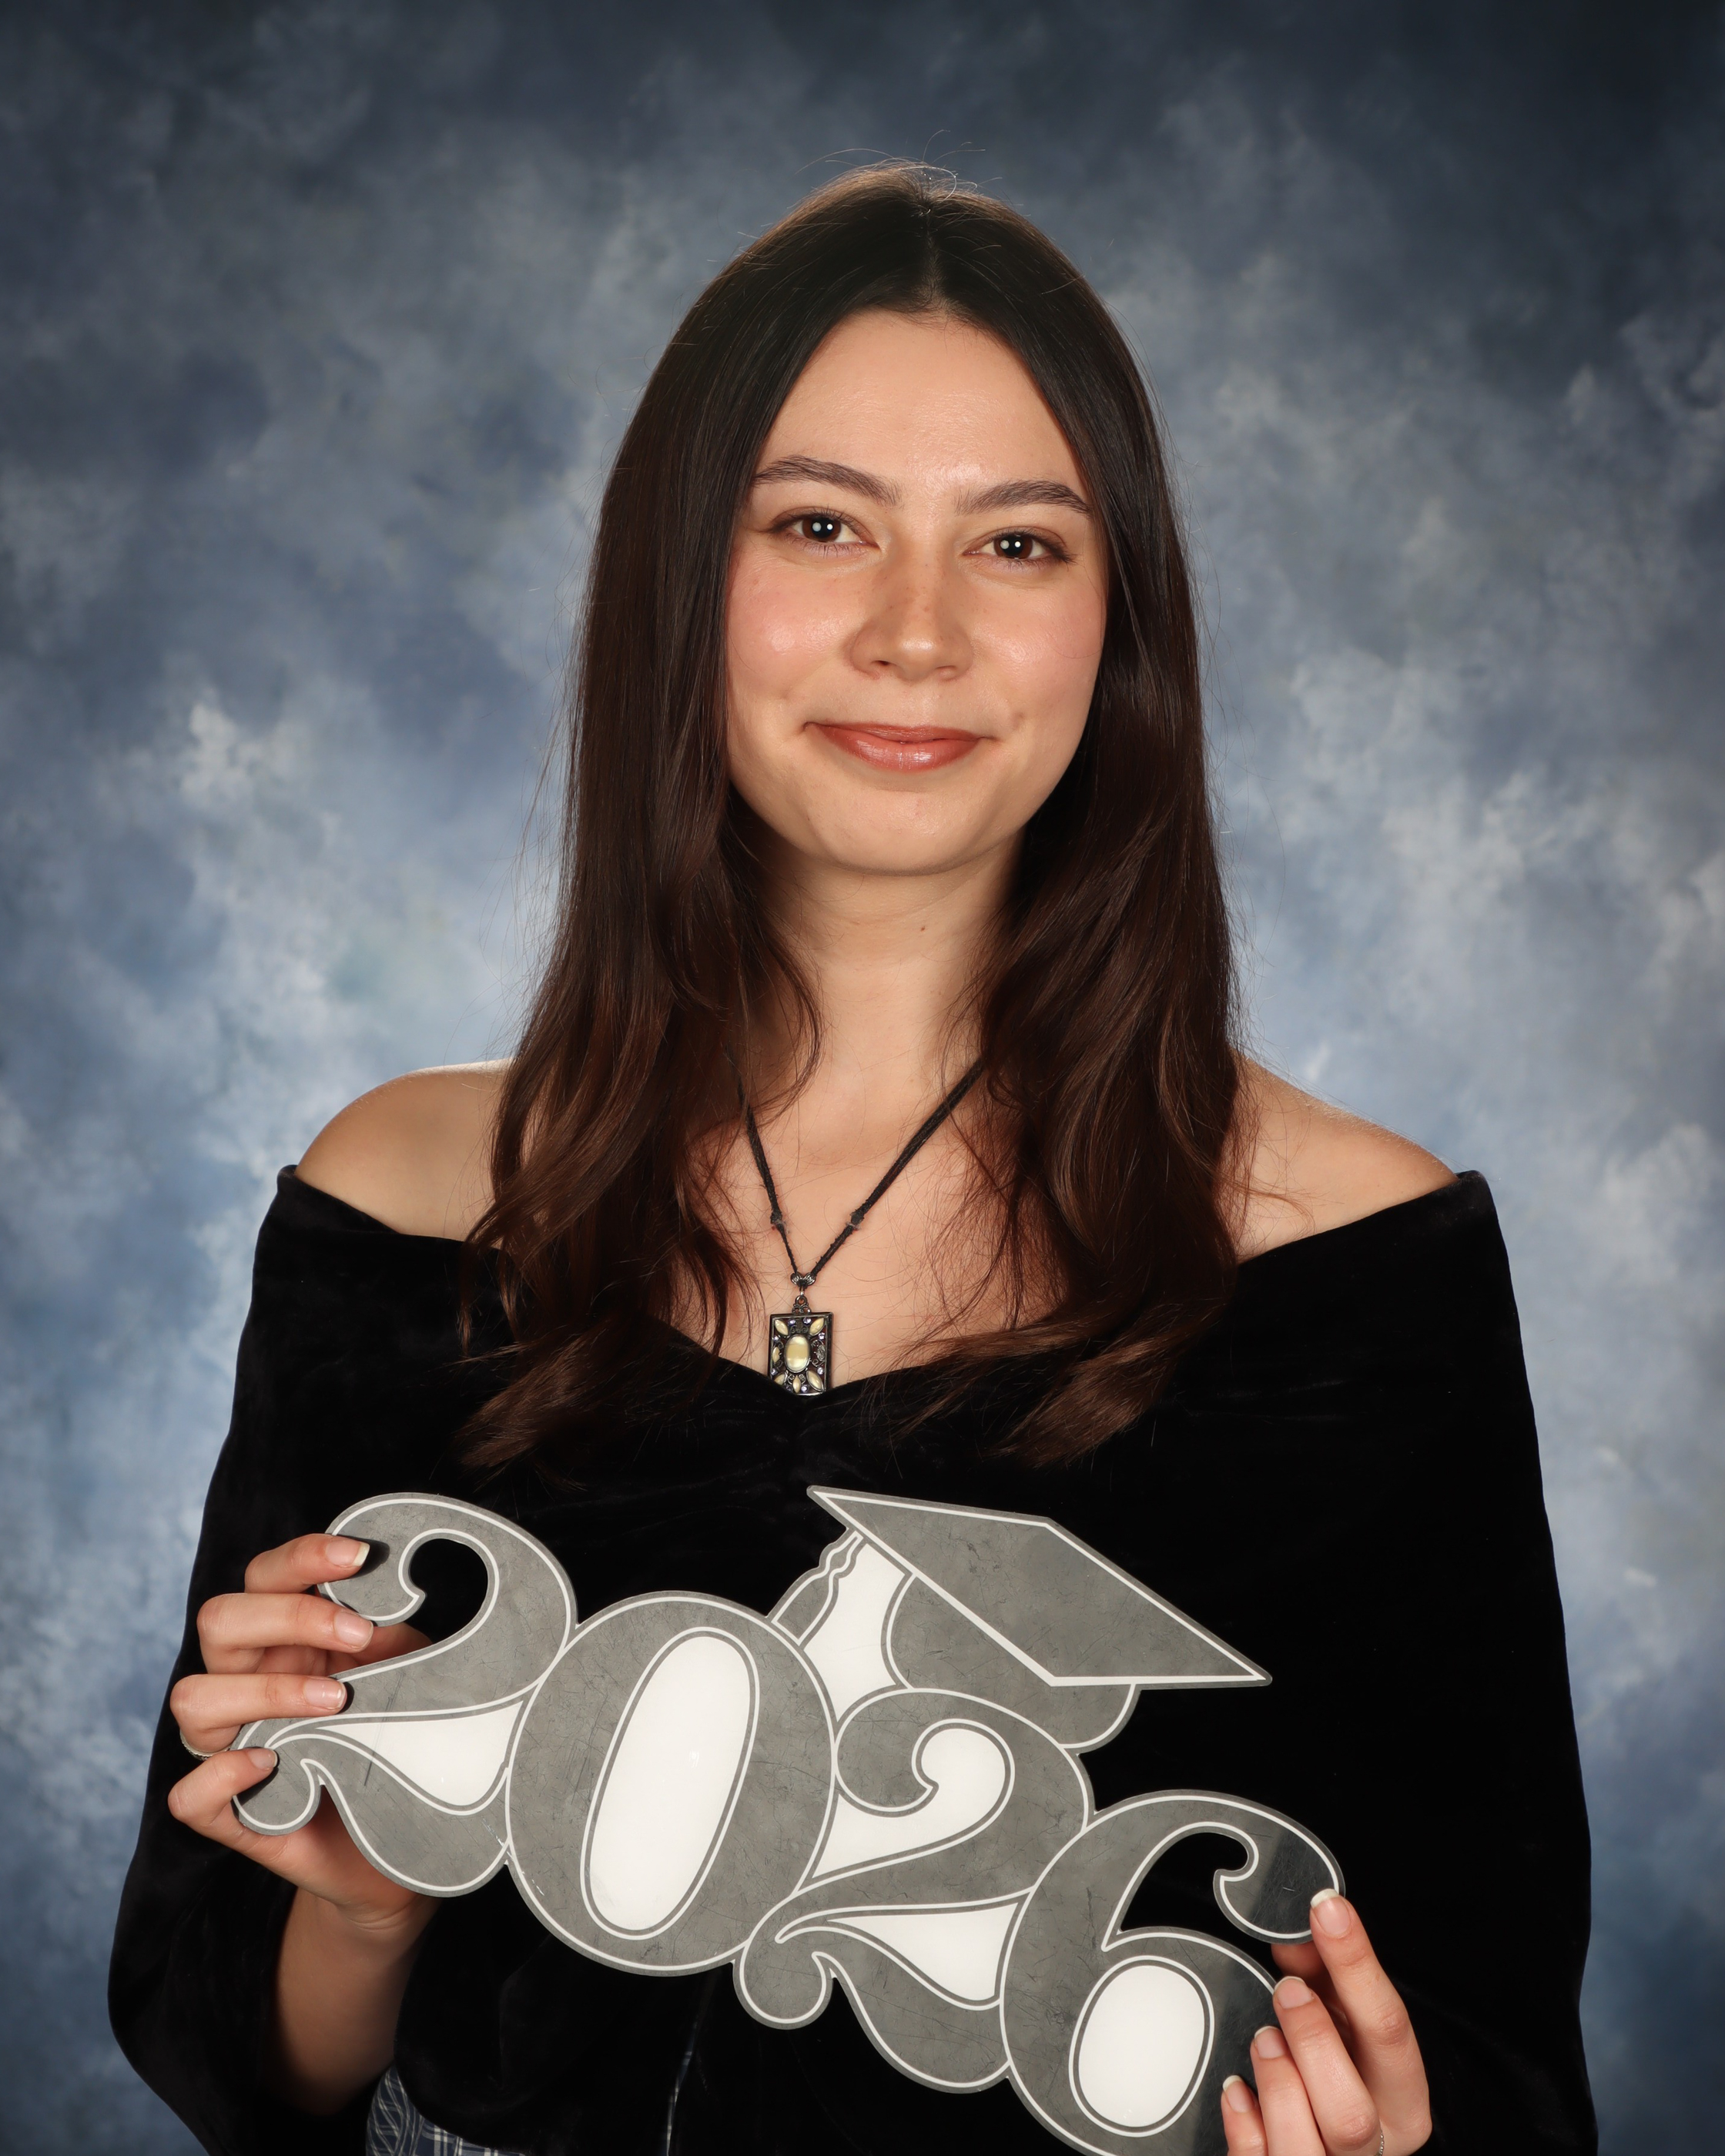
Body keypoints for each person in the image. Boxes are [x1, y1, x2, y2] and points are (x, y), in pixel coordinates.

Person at [110, 166, 1596, 2156]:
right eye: (821, 525)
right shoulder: (408, 1203)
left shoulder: (1359, 1269)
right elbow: (253, 2071)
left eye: (1019, 543)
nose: (917, 634)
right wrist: (359, 1905)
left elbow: (1495, 2064)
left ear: (1119, 625)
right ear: (679, 584)